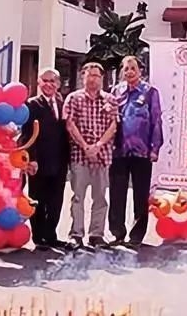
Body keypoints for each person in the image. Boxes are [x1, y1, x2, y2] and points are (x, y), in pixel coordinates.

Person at [109, 56, 163, 248]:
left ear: (141, 70)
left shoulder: (150, 92)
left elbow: (156, 120)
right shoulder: (116, 91)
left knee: (140, 195)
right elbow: (110, 119)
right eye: (126, 68)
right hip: (118, 151)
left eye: (133, 68)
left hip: (142, 152)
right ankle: (117, 233)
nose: (129, 71)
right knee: (116, 193)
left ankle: (137, 236)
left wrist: (154, 148)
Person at [63, 61, 118, 250]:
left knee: (100, 197)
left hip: (103, 156)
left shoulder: (110, 99)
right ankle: (76, 234)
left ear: (102, 78)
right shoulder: (73, 98)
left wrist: (98, 146)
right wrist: (86, 147)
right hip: (80, 155)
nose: (93, 78)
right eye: (89, 75)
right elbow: (70, 124)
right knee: (78, 197)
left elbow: (113, 126)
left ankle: (96, 234)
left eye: (96, 75)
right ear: (82, 76)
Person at [22, 67, 71, 250]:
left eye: (53, 81)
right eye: (45, 81)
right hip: (39, 161)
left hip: (59, 161)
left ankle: (52, 235)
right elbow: (26, 135)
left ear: (58, 84)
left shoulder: (63, 103)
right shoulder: (32, 105)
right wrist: (31, 159)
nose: (49, 84)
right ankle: (39, 237)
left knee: (56, 201)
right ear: (39, 83)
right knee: (37, 199)